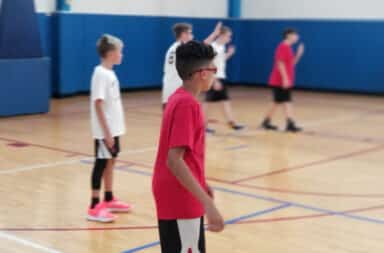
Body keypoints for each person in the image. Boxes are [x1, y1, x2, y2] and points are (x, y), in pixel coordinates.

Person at [153, 40, 225, 253]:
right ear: (202, 73)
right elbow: (174, 160)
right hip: (180, 197)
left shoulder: (179, 97)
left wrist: (201, 183)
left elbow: (184, 156)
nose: (215, 74)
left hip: (177, 191)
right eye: (214, 69)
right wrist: (208, 204)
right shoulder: (187, 104)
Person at [87, 34, 132, 223]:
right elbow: (98, 104)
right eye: (120, 51)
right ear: (111, 53)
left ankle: (108, 198)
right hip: (105, 131)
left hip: (114, 129)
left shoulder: (110, 73)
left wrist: (113, 131)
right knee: (101, 164)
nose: (122, 55)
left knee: (111, 162)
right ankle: (93, 206)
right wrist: (106, 133)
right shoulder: (100, 73)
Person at [162, 22, 223, 109]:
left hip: (168, 94)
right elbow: (202, 47)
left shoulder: (172, 48)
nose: (192, 36)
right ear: (183, 34)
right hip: (178, 95)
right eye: (190, 33)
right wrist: (214, 34)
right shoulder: (181, 49)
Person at [261, 28, 305, 132]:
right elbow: (279, 63)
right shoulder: (283, 47)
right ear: (289, 35)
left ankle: (266, 122)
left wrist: (298, 54)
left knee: (277, 101)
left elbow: (291, 64)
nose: (297, 37)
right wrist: (285, 79)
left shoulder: (289, 48)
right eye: (295, 35)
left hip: (283, 80)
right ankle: (289, 123)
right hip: (279, 80)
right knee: (287, 101)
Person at [204, 26, 244, 133]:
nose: (229, 39)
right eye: (228, 36)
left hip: (220, 77)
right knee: (208, 103)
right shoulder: (213, 47)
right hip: (213, 79)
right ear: (221, 35)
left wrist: (229, 54)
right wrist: (214, 80)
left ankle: (232, 123)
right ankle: (202, 126)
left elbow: (220, 61)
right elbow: (208, 64)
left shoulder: (221, 47)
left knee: (225, 101)